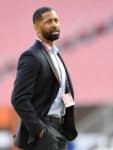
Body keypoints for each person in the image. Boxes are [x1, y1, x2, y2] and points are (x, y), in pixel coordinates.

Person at [11, 6, 78, 150]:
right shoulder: (31, 56)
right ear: (36, 27)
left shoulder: (57, 56)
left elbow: (64, 91)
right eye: (48, 21)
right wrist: (40, 131)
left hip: (59, 130)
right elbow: (19, 99)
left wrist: (68, 119)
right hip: (44, 130)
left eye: (56, 20)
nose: (54, 24)